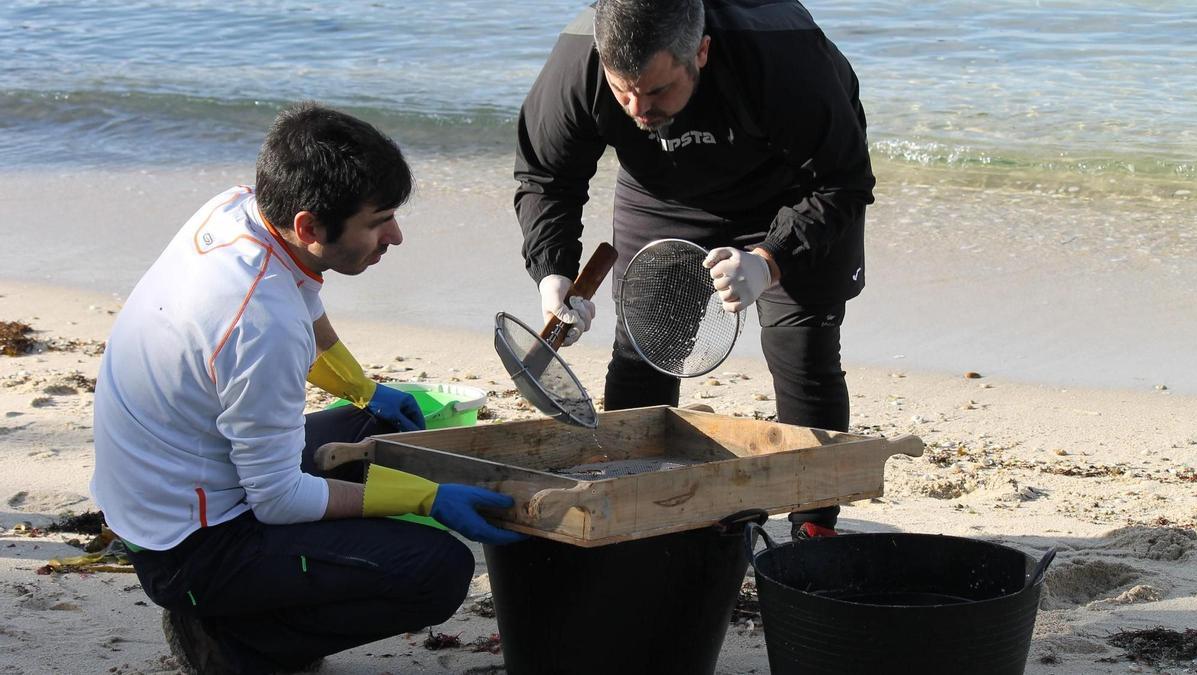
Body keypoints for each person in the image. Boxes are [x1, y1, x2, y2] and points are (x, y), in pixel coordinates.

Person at [91, 101, 523, 675]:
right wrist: (426, 499)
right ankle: (237, 642)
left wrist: (365, 391)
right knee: (439, 570)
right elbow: (278, 499)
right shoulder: (259, 322)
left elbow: (304, 298)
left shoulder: (239, 209)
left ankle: (252, 613)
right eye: (378, 221)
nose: (395, 236)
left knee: (379, 428)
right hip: (189, 550)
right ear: (309, 226)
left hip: (180, 481)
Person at [515, 0, 873, 538]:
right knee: (643, 352)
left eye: (657, 91)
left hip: (796, 188)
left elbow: (844, 182)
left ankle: (813, 526)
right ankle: (638, 504)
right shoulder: (579, 61)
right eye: (622, 90)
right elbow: (546, 179)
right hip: (662, 191)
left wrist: (768, 261)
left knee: (802, 354)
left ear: (700, 51)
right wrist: (553, 271)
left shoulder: (784, 57)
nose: (637, 109)